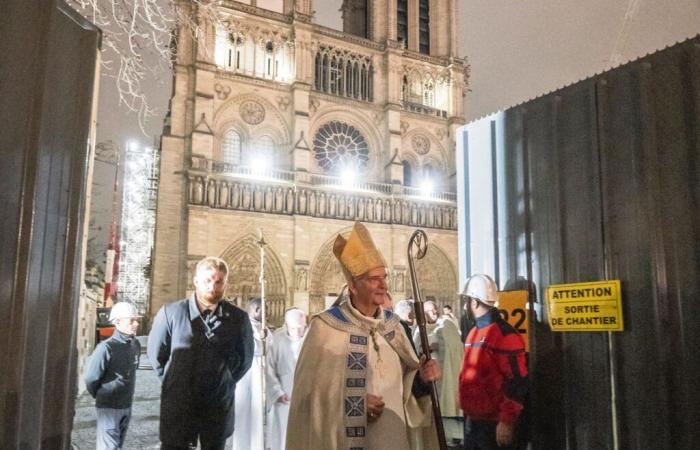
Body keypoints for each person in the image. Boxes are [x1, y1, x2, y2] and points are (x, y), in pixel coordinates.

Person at [286, 221, 443, 450]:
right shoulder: (325, 328)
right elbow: (307, 398)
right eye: (373, 279)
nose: (383, 285)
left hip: (393, 438)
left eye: (384, 277)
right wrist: (354, 406)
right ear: (352, 285)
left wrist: (422, 378)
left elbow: (406, 387)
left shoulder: (393, 327)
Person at [147, 256, 254, 450]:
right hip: (179, 406)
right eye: (208, 280)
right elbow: (157, 356)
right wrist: (176, 382)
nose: (213, 286)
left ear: (225, 284)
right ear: (196, 281)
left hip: (217, 406)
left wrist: (224, 381)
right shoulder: (171, 313)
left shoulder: (238, 318)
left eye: (219, 281)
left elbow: (244, 359)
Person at [458, 274, 528, 450]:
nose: (466, 306)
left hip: (493, 426)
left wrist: (507, 421)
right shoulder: (474, 332)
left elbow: (517, 382)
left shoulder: (505, 335)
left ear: (474, 302)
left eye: (467, 301)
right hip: (473, 421)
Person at [84, 302, 142, 450]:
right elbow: (91, 378)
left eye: (137, 320)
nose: (136, 323)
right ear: (117, 322)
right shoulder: (105, 348)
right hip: (109, 407)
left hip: (126, 405)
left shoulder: (135, 345)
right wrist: (103, 395)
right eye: (131, 320)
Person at [414, 301, 465, 446]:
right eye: (430, 310)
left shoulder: (447, 325)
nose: (434, 312)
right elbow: (417, 350)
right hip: (431, 379)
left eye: (435, 309)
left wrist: (442, 346)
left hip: (448, 373)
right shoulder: (420, 330)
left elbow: (456, 347)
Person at [232, 297, 273, 450]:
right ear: (256, 310)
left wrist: (266, 338)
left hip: (259, 375)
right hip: (247, 376)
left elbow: (271, 348)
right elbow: (249, 349)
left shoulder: (262, 327)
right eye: (265, 310)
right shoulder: (243, 327)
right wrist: (262, 341)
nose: (267, 313)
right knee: (245, 416)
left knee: (258, 415)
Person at [266, 308, 307, 450]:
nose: (298, 332)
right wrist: (277, 392)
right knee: (283, 433)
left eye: (301, 328)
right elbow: (269, 368)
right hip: (284, 395)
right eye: (294, 328)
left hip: (306, 396)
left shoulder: (312, 339)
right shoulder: (277, 340)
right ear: (286, 325)